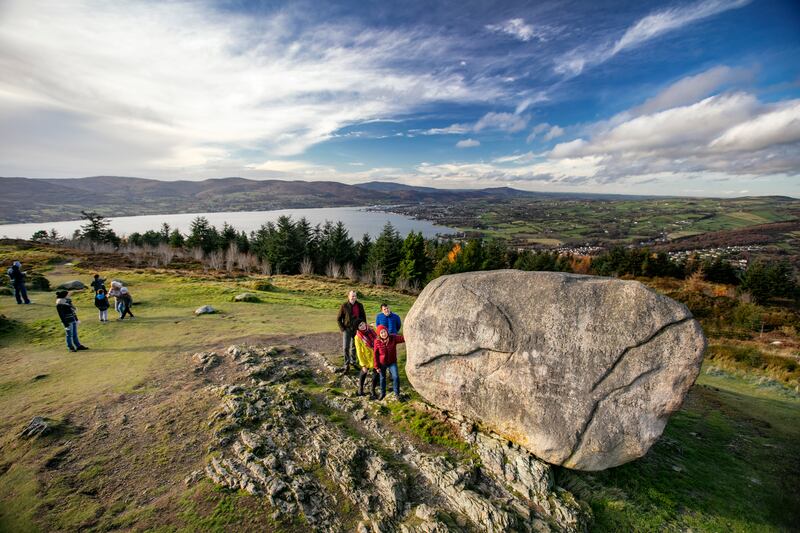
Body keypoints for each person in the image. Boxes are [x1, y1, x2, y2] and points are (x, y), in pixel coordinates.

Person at [373, 325, 405, 401]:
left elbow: (403, 338)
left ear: (387, 331)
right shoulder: (377, 341)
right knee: (382, 378)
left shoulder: (393, 338)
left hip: (392, 362)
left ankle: (397, 393)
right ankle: (382, 393)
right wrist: (376, 366)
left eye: (384, 331)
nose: (383, 334)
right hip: (382, 363)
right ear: (379, 334)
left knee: (396, 377)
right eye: (381, 333)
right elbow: (375, 354)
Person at [336, 290, 365, 373]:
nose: (354, 297)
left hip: (357, 330)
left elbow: (363, 318)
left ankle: (353, 361)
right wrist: (343, 329)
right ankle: (346, 364)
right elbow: (338, 318)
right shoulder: (344, 306)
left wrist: (363, 328)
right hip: (347, 329)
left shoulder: (360, 305)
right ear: (348, 296)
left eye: (355, 296)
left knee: (355, 346)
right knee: (345, 347)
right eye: (352, 296)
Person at [354, 320, 379, 399]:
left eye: (362, 324)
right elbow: (358, 352)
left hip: (376, 354)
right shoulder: (358, 337)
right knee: (364, 371)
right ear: (358, 328)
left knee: (376, 372)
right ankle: (360, 389)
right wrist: (363, 364)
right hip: (366, 358)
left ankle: (372, 390)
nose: (362, 326)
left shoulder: (372, 329)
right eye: (360, 326)